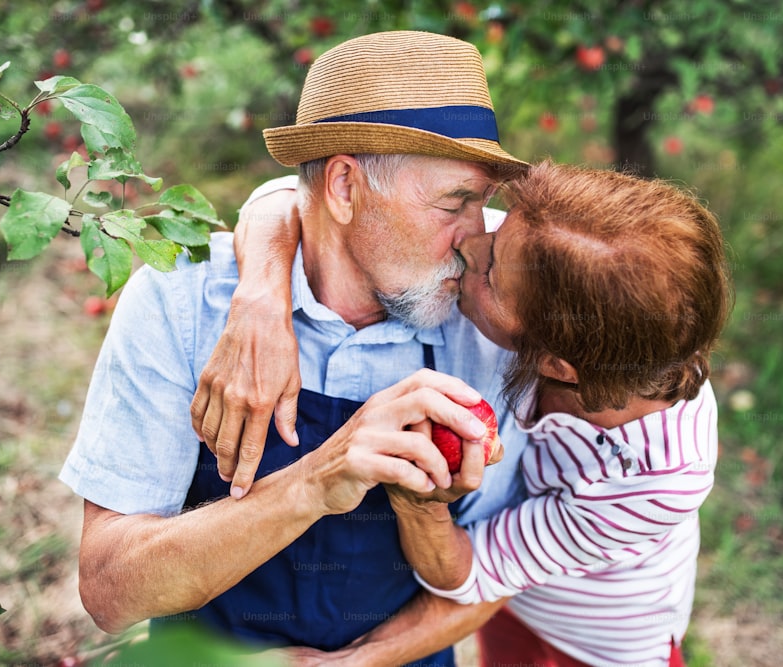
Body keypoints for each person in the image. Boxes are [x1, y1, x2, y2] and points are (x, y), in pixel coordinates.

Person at [59, 30, 530, 666]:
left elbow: (500, 568)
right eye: (457, 202)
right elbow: (111, 591)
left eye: (485, 203)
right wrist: (317, 481)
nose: (477, 237)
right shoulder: (182, 302)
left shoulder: (500, 303)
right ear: (344, 187)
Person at [200, 162, 732, 666]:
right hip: (514, 602)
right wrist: (261, 302)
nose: (471, 248)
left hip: (599, 638)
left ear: (555, 364)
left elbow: (472, 572)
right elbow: (293, 197)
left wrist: (420, 506)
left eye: (493, 271)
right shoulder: (549, 259)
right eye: (497, 238)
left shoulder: (658, 475)